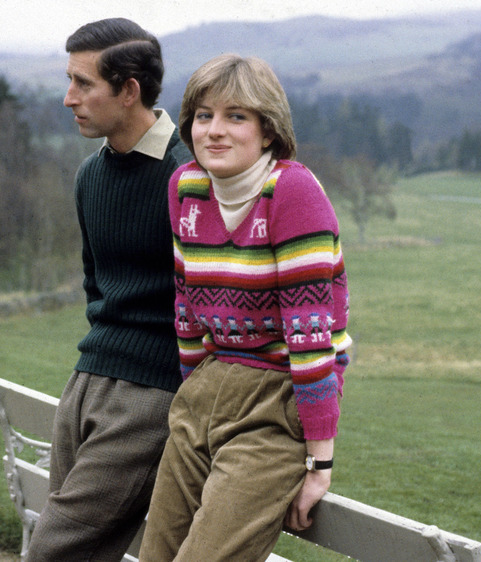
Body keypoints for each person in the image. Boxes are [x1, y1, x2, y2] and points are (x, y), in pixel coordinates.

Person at [138, 54, 353, 561]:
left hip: (275, 401)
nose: (214, 130)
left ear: (269, 129)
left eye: (236, 116)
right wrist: (193, 396)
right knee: (157, 555)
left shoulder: (292, 192)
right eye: (204, 114)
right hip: (206, 389)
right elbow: (187, 307)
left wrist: (319, 462)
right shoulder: (186, 188)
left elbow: (311, 339)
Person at [25, 18, 192, 562]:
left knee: (54, 548)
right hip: (86, 379)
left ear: (128, 91)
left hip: (153, 393)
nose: (68, 98)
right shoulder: (89, 176)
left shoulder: (188, 178)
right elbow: (96, 283)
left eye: (83, 83)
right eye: (68, 80)